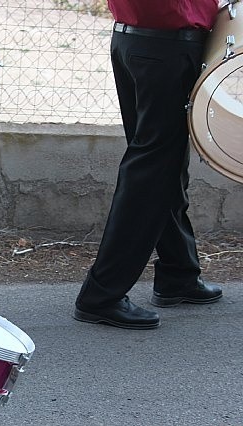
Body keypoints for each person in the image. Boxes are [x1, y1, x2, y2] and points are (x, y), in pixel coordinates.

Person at [73, 0, 223, 330]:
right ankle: (102, 294)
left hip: (134, 39)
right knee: (151, 173)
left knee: (162, 165)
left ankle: (178, 273)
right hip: (165, 44)